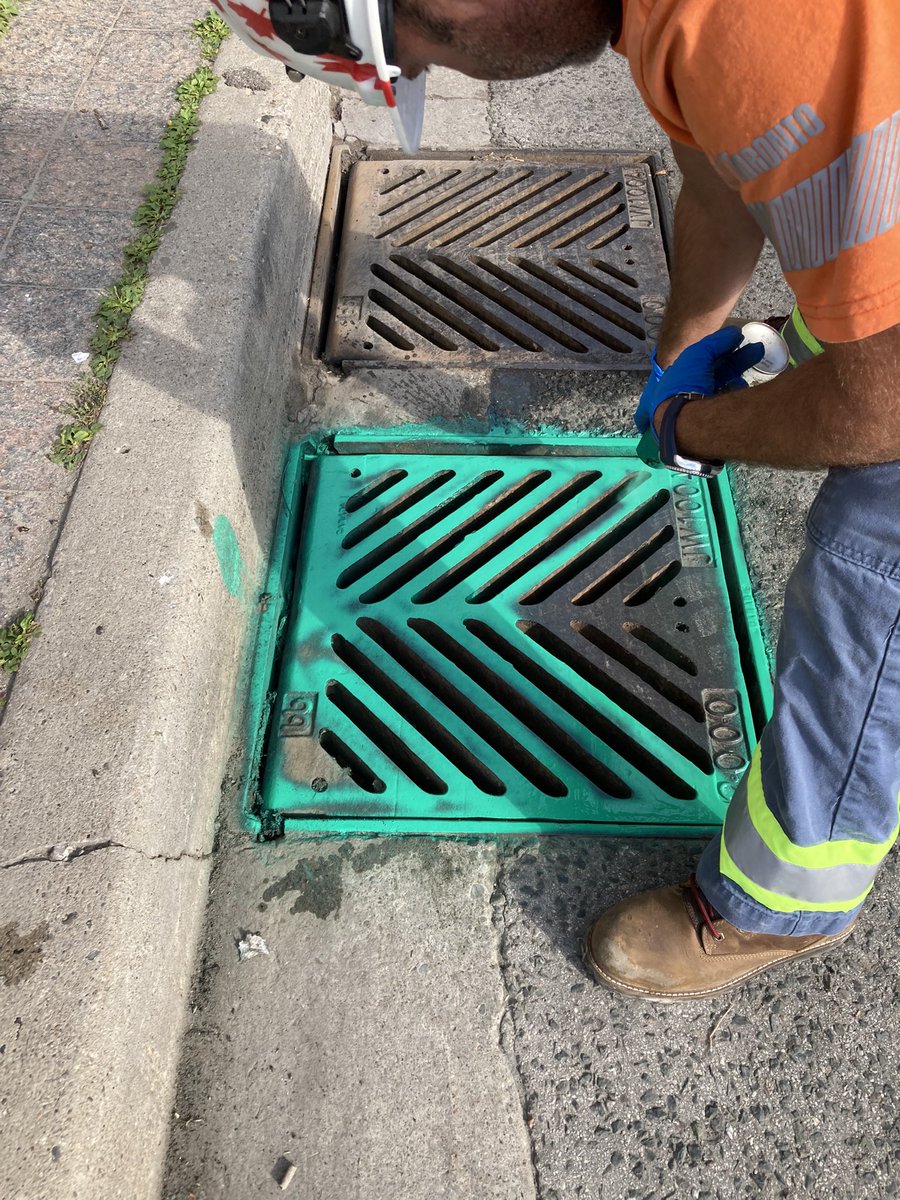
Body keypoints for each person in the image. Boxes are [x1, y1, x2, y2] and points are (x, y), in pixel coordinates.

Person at [218, 0, 900, 1002]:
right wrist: (676, 364)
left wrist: (696, 432)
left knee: (875, 544)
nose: (450, 76)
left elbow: (883, 405)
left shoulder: (759, 34)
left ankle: (782, 906)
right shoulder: (674, 25)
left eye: (430, 55)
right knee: (844, 321)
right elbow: (718, 183)